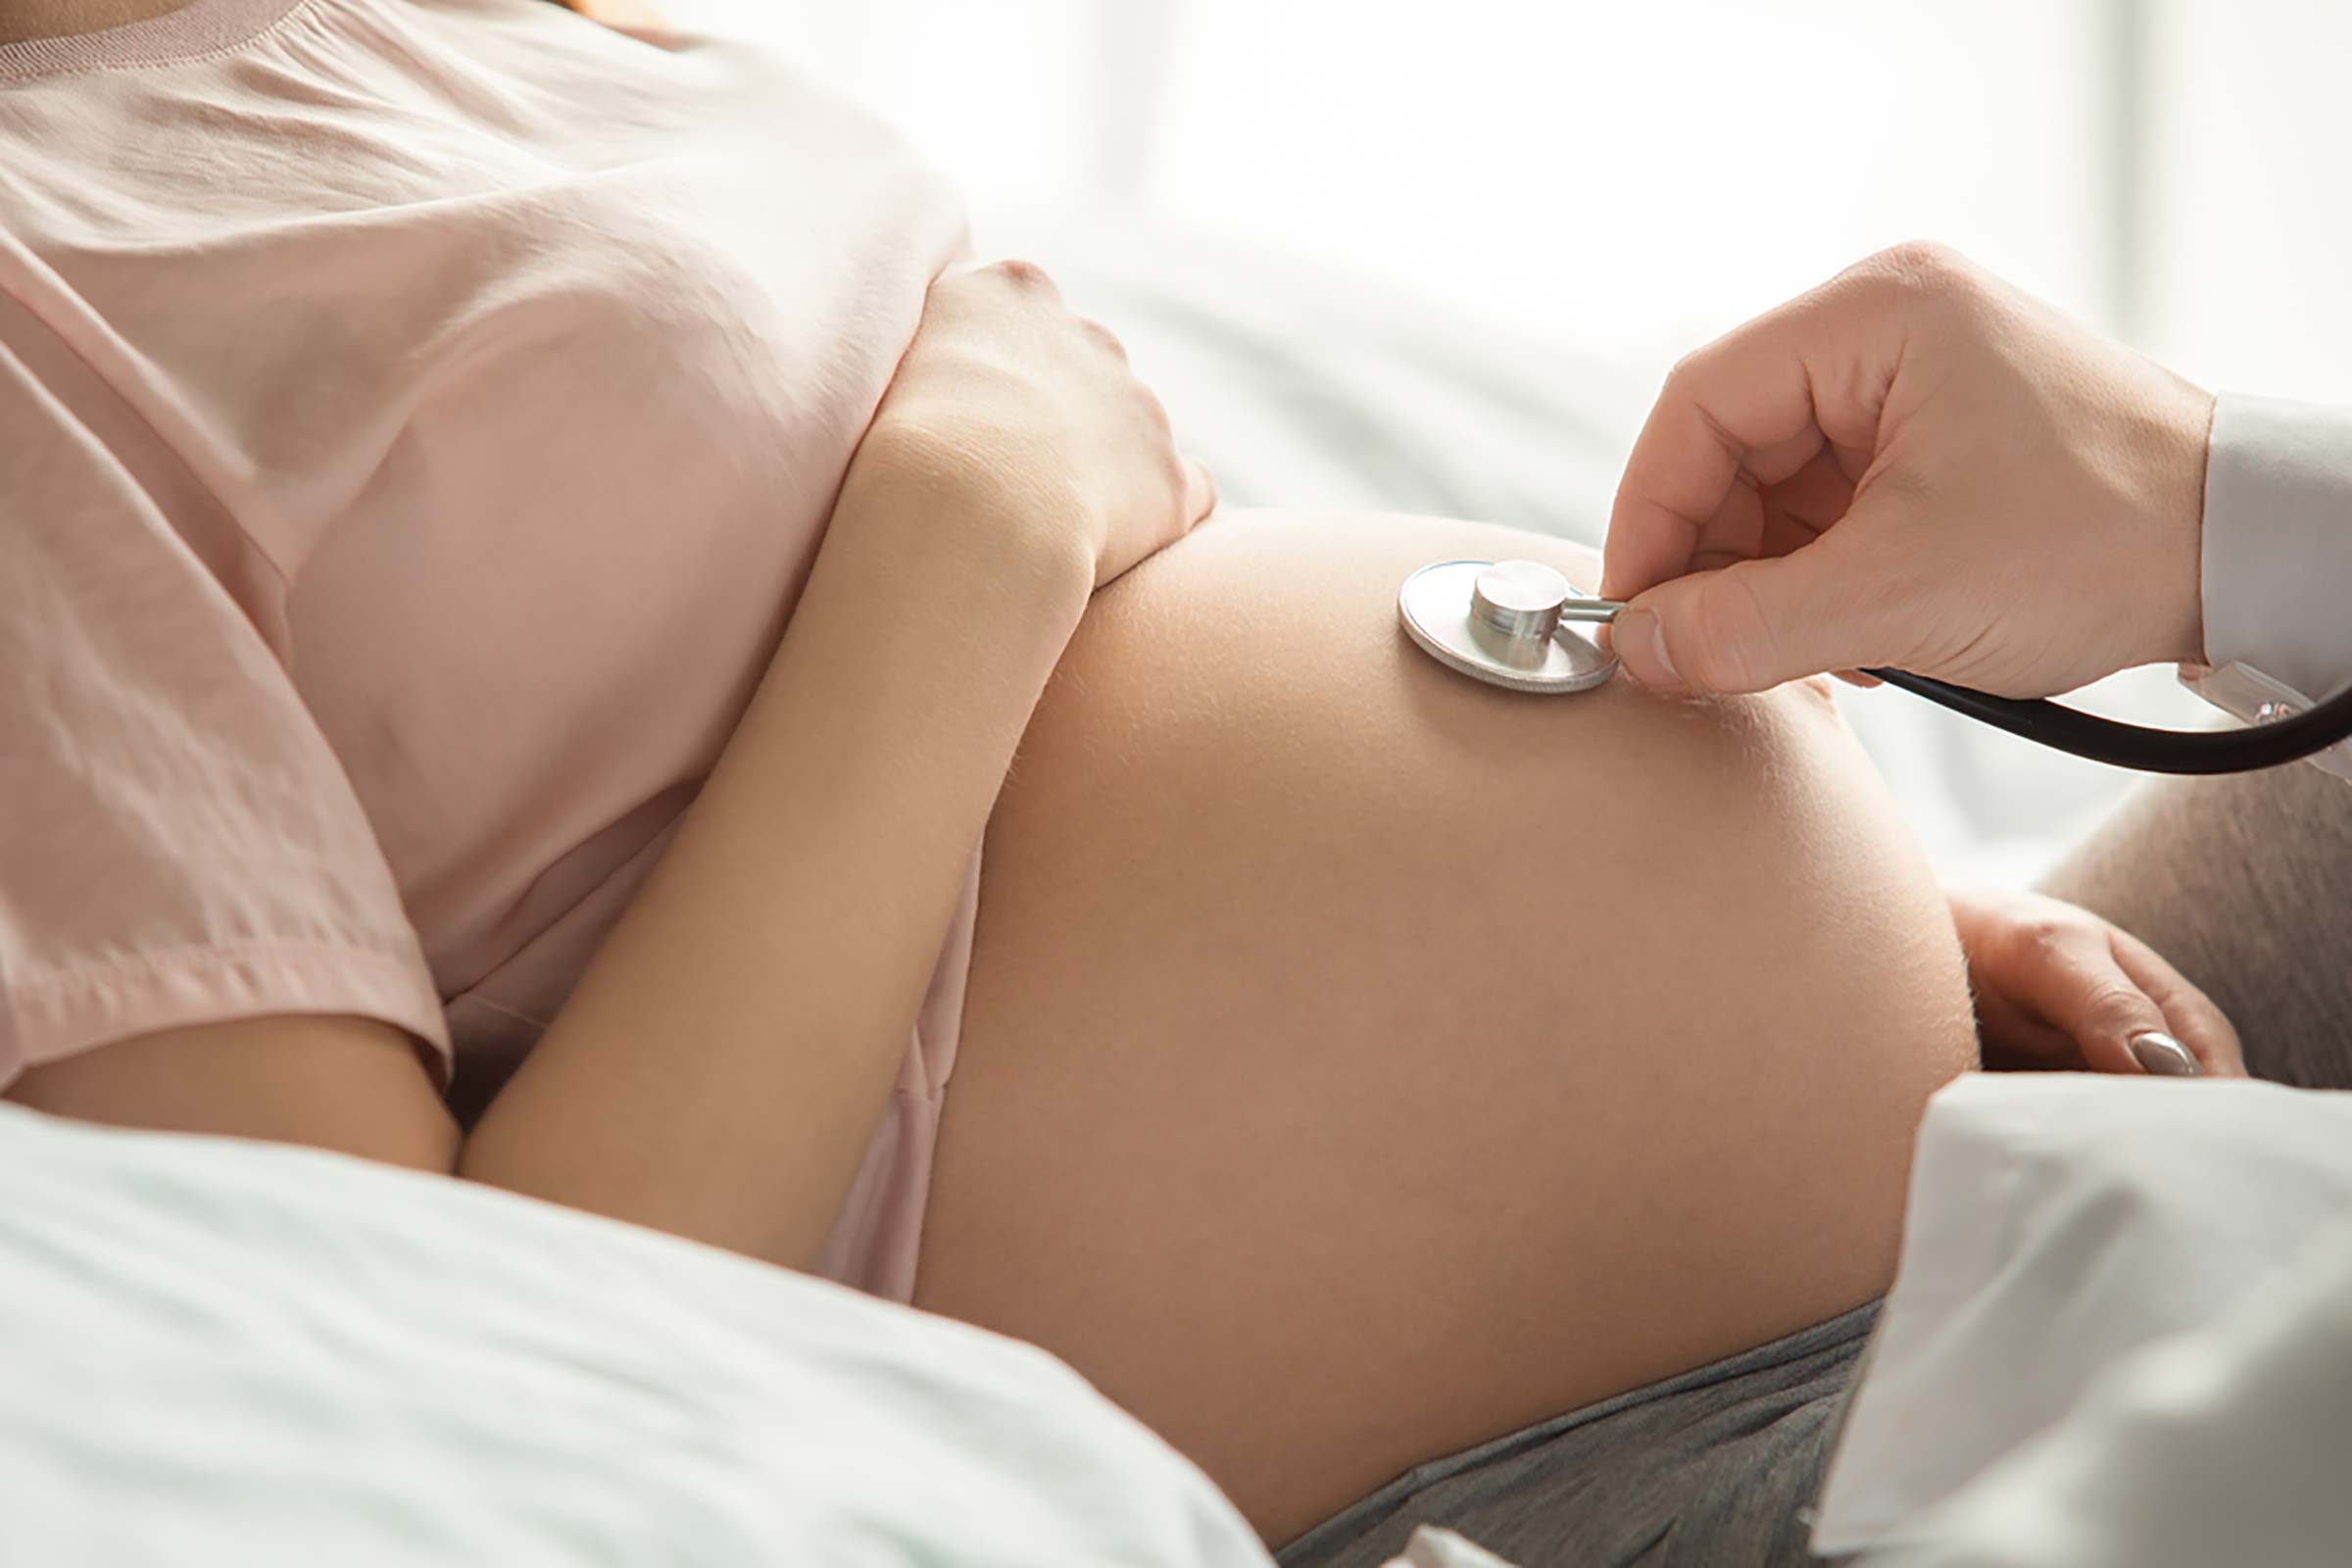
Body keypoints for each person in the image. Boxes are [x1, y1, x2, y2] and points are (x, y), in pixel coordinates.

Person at [0, 4, 2262, 1564]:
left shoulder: (472, 31)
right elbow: (450, 1364)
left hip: (1971, 1172)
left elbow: (1043, 647)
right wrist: (969, 521)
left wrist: (1820, 903)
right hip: (1530, 1478)